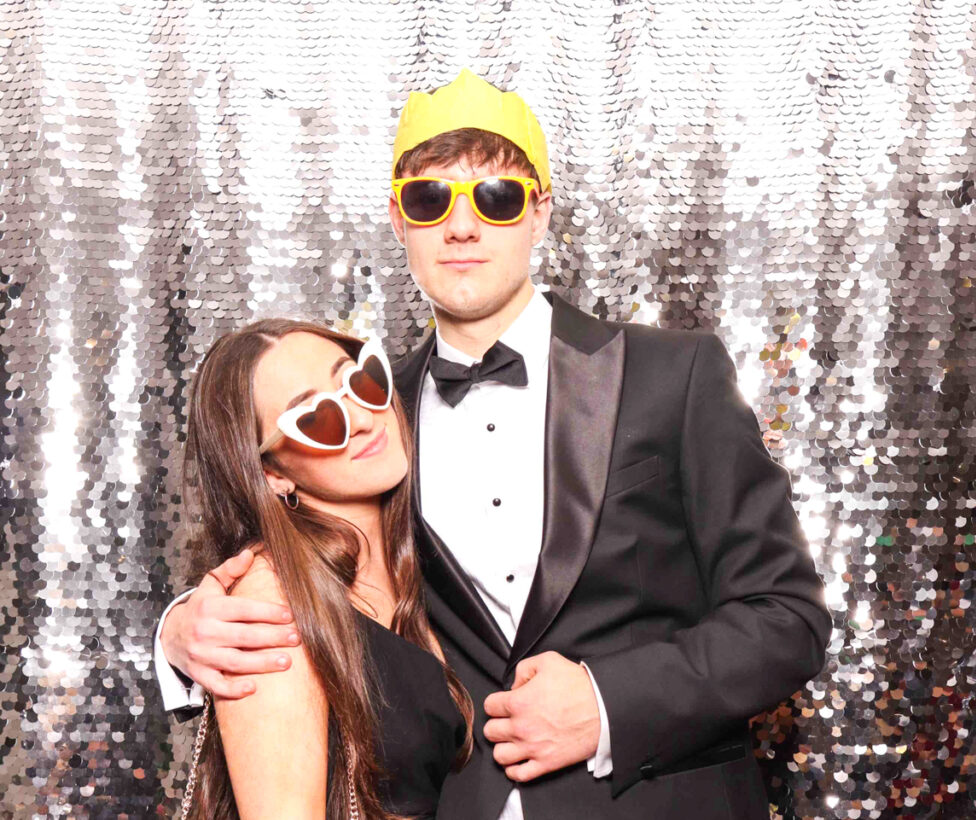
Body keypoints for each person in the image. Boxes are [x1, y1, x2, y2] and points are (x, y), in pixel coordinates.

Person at [154, 69, 832, 819]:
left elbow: (788, 616)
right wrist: (183, 633)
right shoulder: (374, 414)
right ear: (398, 217)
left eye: (497, 197)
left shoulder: (676, 375)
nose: (463, 226)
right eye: (429, 198)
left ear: (539, 214)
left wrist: (608, 703)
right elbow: (303, 562)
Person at [169, 319, 471, 818]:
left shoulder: (424, 565)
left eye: (360, 379)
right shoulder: (270, 598)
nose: (363, 417)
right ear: (271, 474)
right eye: (315, 417)